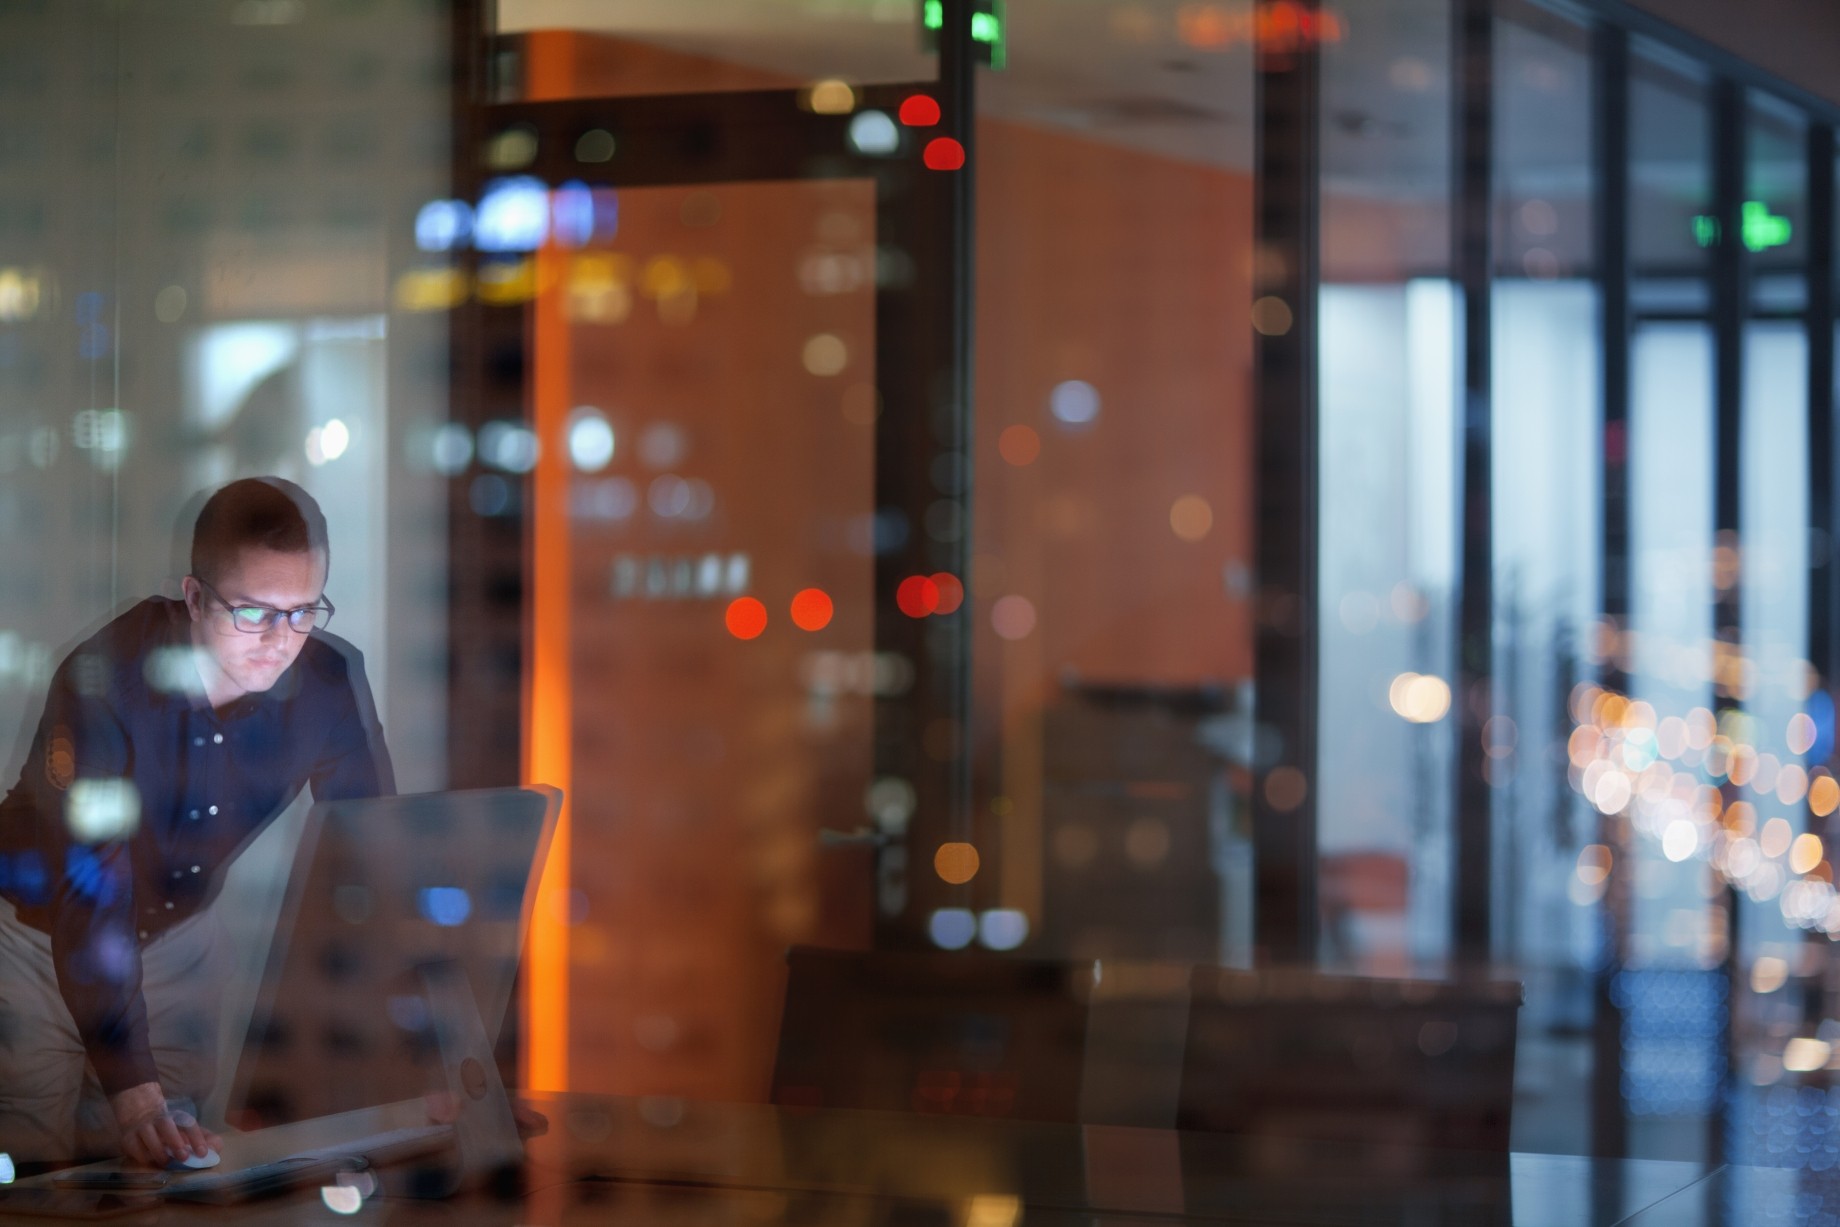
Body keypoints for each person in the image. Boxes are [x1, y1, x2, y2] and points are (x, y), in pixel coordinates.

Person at [0, 477, 393, 1168]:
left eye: (304, 611)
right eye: (252, 612)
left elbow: (376, 856)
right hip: (31, 939)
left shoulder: (329, 682)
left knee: (171, 1172)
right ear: (193, 596)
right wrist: (136, 1094)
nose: (280, 640)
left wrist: (446, 1062)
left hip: (180, 943)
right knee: (30, 1169)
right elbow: (90, 893)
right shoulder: (104, 681)